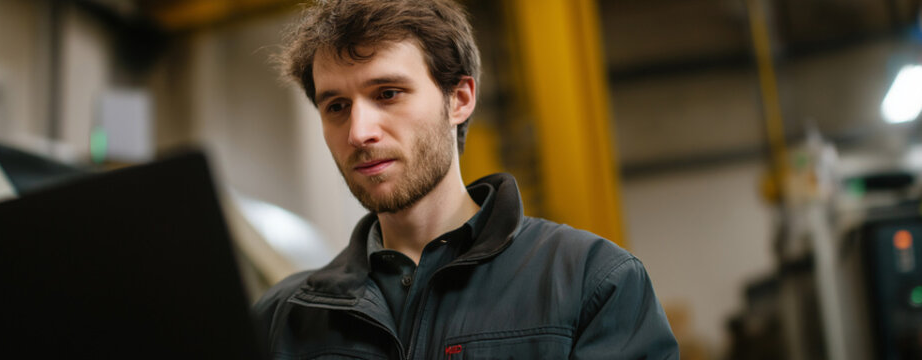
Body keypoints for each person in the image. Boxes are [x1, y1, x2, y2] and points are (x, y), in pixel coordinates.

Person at [253, 0, 679, 358]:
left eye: (388, 94)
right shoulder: (279, 320)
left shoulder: (593, 282)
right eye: (336, 106)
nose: (359, 132)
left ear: (459, 99)